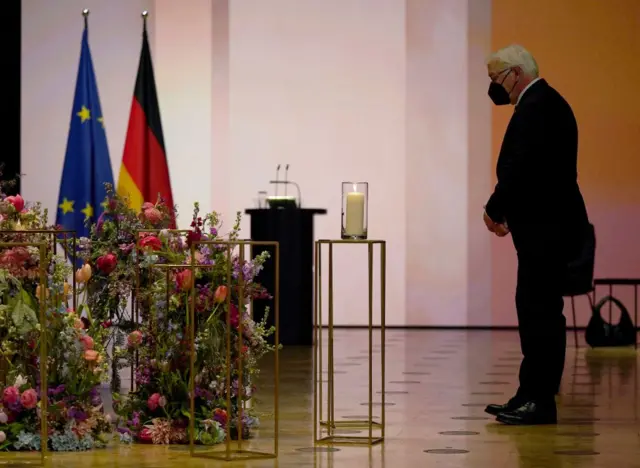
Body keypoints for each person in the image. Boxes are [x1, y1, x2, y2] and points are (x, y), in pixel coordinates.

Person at [482, 44, 590, 425]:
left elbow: (521, 168)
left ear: (516, 73)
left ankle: (539, 401)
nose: (494, 86)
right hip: (545, 228)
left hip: (547, 232)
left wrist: (495, 208)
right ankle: (528, 394)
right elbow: (535, 173)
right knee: (535, 312)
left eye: (496, 78)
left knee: (540, 315)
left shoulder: (538, 106)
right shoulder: (544, 104)